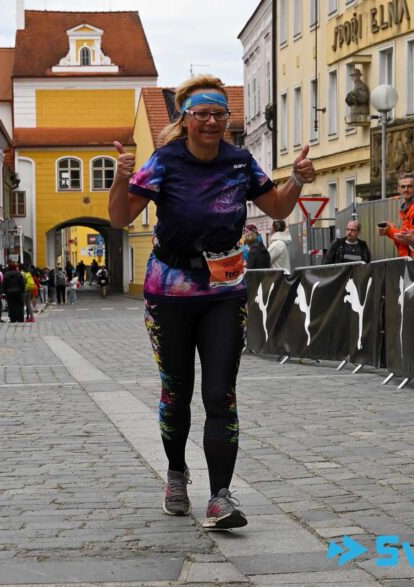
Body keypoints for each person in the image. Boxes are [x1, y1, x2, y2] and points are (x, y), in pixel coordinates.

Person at [108, 74, 315, 529]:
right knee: (177, 390)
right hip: (169, 292)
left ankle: (220, 496)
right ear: (185, 118)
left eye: (220, 114)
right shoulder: (165, 161)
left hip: (224, 290)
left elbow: (277, 208)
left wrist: (297, 180)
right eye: (202, 113)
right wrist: (121, 179)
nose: (211, 121)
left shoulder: (240, 162)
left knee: (220, 392)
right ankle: (176, 474)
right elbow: (121, 217)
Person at [378, 173, 414, 258]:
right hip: (411, 258)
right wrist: (392, 229)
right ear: (398, 189)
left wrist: (390, 230)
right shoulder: (408, 208)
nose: (406, 189)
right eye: (403, 187)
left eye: (409, 186)